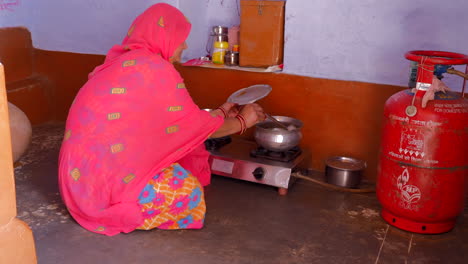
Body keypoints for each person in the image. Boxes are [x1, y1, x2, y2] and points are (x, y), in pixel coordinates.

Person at [58, 3, 265, 236]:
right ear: (164, 36)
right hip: (105, 185)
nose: (185, 45)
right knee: (189, 192)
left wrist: (218, 113)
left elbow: (167, 120)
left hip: (80, 181)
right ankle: (125, 211)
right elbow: (189, 125)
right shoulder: (156, 68)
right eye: (181, 37)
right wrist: (242, 122)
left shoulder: (123, 62)